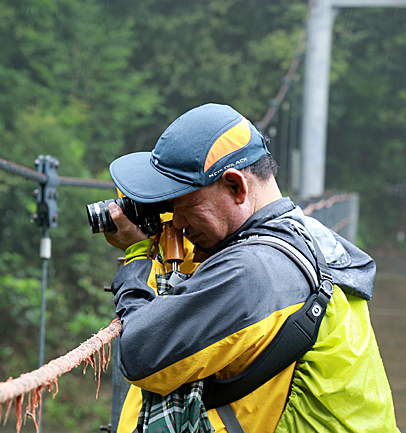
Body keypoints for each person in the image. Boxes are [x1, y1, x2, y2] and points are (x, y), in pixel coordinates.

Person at [104, 103, 399, 433]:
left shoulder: (255, 271)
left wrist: (137, 256)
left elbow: (141, 355)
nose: (179, 222)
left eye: (186, 207)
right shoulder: (306, 236)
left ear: (236, 186)